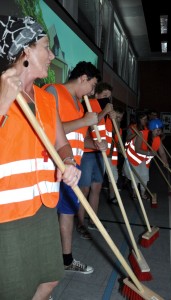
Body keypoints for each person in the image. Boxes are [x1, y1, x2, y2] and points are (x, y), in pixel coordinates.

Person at [0, 16, 81, 300]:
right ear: (25, 52)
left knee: (50, 278)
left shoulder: (45, 99)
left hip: (44, 206)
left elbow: (62, 145)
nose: (52, 55)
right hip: (8, 215)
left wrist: (69, 163)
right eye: (46, 47)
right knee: (14, 290)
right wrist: (3, 101)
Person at [43, 62, 107, 273]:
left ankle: (66, 259)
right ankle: (46, 265)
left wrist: (94, 145)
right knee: (47, 216)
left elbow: (77, 140)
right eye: (92, 85)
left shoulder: (79, 105)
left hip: (72, 168)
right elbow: (49, 130)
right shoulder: (53, 91)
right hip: (52, 167)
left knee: (68, 211)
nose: (92, 91)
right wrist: (82, 121)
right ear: (83, 78)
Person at [77, 82, 115, 233]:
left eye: (109, 97)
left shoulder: (106, 110)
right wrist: (105, 112)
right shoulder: (89, 104)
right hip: (87, 152)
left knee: (97, 188)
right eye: (104, 96)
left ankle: (93, 221)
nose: (107, 99)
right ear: (97, 95)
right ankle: (80, 223)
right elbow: (88, 125)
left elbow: (109, 133)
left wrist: (113, 118)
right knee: (84, 189)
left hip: (101, 154)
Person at [123, 118, 168, 199]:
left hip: (144, 160)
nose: (159, 132)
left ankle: (143, 193)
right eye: (157, 130)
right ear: (152, 130)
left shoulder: (158, 139)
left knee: (145, 176)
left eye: (160, 130)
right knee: (136, 177)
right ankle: (135, 193)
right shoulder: (142, 134)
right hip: (134, 158)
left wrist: (165, 162)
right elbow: (137, 149)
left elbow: (162, 153)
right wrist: (149, 153)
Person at [106, 106, 124, 204]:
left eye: (120, 118)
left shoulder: (119, 129)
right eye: (116, 117)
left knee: (113, 177)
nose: (118, 120)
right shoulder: (107, 123)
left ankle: (112, 197)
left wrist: (121, 149)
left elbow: (119, 142)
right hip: (103, 155)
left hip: (112, 157)